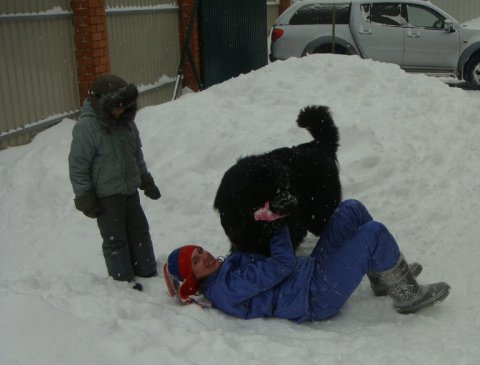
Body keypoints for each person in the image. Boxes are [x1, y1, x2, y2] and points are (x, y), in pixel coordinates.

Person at [164, 199, 450, 321]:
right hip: (314, 296)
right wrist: (276, 226)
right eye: (197, 262)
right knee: (373, 233)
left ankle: (383, 278)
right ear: (193, 279)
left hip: (309, 275)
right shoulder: (226, 287)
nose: (205, 256)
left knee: (351, 209)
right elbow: (281, 265)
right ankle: (407, 295)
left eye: (200, 251)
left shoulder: (225, 270)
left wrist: (265, 216)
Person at [68, 74, 161, 288]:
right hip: (107, 196)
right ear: (102, 104)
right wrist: (85, 197)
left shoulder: (126, 123)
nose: (120, 111)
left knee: (140, 231)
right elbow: (78, 166)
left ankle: (147, 271)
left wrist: (145, 180)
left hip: (130, 190)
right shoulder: (87, 128)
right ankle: (123, 282)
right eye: (116, 107)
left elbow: (136, 154)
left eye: (124, 106)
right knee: (115, 240)